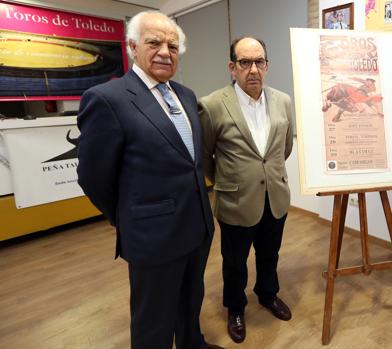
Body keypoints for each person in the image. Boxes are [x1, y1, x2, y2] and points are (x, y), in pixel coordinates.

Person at [77, 11, 221, 349]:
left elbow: (190, 161)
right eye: (153, 42)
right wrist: (127, 216)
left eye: (172, 46)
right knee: (153, 321)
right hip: (152, 236)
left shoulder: (185, 95)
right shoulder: (107, 100)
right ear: (132, 47)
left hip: (197, 225)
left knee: (190, 301)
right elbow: (93, 177)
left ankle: (192, 344)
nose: (164, 52)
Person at [198, 37, 294, 344]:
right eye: (245, 62)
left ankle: (267, 294)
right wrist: (230, 180)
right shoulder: (212, 104)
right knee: (235, 262)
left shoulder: (283, 101)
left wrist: (267, 174)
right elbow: (205, 155)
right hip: (236, 200)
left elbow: (284, 147)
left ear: (267, 66)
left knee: (270, 255)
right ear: (232, 67)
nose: (253, 69)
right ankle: (236, 308)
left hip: (274, 197)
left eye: (259, 62)